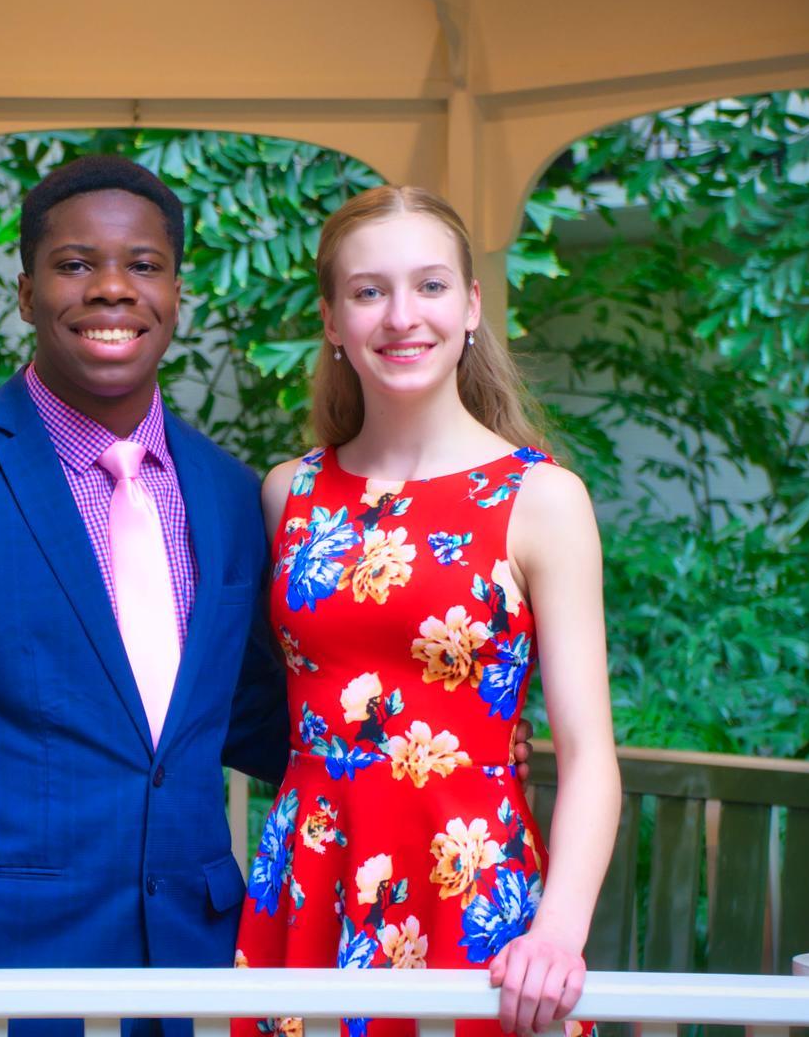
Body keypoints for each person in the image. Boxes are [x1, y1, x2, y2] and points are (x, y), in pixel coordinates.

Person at [0, 157, 534, 1037]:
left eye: (142, 266)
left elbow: (266, 710)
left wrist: (440, 738)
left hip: (198, 970)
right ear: (25, 293)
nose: (111, 289)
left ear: (176, 292)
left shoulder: (231, 494)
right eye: (74, 266)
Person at [232, 186, 619, 1037]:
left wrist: (558, 934)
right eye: (369, 291)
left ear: (473, 306)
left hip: (471, 889)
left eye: (431, 286)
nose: (402, 316)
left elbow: (591, 754)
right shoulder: (286, 494)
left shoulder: (542, 500)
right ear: (332, 320)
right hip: (311, 889)